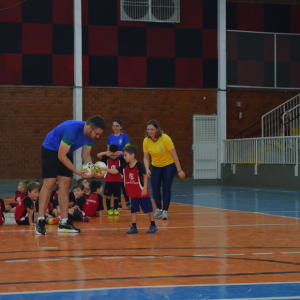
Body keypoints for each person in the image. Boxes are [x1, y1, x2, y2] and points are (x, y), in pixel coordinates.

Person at [36, 115, 106, 235]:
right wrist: (76, 171)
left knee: (65, 184)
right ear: (90, 128)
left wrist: (92, 170)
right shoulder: (72, 130)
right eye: (97, 133)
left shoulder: (91, 136)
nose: (98, 136)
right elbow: (60, 156)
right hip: (50, 148)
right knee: (50, 183)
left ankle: (64, 222)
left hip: (65, 150)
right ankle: (40, 220)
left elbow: (85, 156)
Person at [100, 145, 158, 234]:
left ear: (132, 155)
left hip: (142, 192)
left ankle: (153, 225)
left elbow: (145, 176)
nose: (124, 157)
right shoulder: (125, 165)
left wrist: (145, 189)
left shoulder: (138, 165)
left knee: (148, 210)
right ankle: (134, 227)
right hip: (133, 193)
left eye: (125, 155)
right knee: (133, 210)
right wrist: (104, 169)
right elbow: (115, 171)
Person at [143, 120, 185, 220]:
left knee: (166, 187)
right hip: (156, 166)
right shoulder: (146, 140)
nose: (150, 131)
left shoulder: (165, 138)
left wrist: (179, 170)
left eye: (152, 129)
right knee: (155, 188)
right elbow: (146, 157)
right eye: (148, 129)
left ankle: (165, 211)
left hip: (168, 165)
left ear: (157, 129)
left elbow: (174, 155)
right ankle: (159, 209)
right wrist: (147, 169)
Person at [107, 119, 131, 210]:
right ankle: (118, 203)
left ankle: (128, 201)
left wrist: (120, 153)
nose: (115, 128)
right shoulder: (109, 137)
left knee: (124, 181)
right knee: (116, 182)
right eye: (113, 126)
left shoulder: (125, 136)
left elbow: (128, 150)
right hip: (113, 161)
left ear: (121, 127)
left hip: (123, 160)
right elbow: (108, 151)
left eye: (117, 126)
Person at [97, 144, 123, 216]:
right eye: (112, 155)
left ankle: (115, 209)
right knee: (108, 196)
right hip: (108, 181)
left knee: (116, 196)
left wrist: (120, 152)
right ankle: (109, 210)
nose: (113, 156)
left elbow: (129, 154)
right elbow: (98, 155)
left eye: (115, 155)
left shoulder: (121, 159)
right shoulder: (106, 159)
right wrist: (107, 152)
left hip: (118, 181)